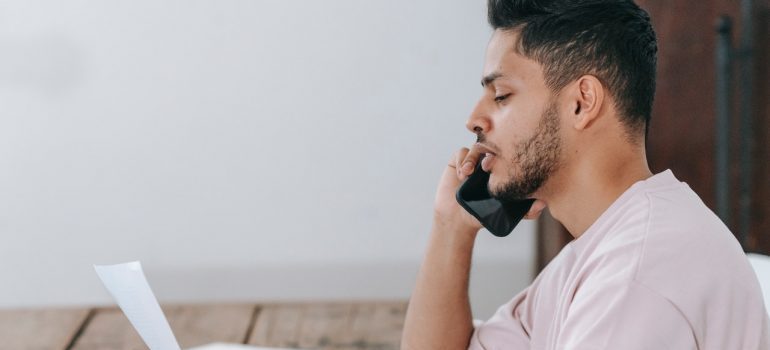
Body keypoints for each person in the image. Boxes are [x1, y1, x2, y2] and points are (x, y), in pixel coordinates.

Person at [401, 0, 770, 349]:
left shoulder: (636, 276)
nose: (474, 120)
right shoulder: (598, 256)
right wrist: (451, 225)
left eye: (501, 95)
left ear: (581, 103)